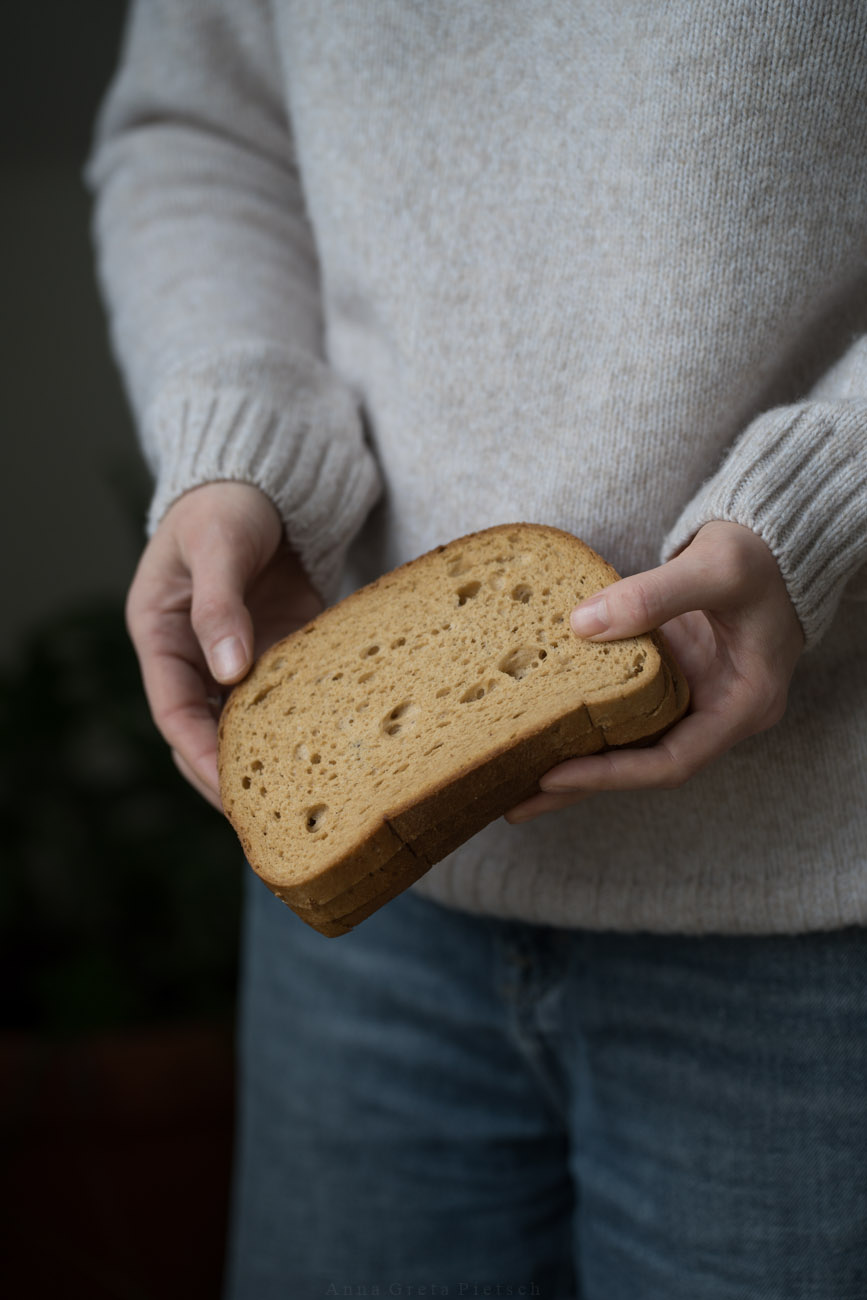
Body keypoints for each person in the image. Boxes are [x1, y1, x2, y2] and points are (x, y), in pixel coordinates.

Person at [87, 3, 867, 1296]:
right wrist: (237, 444)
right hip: (375, 921)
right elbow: (203, 126)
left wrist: (831, 496)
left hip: (822, 918)